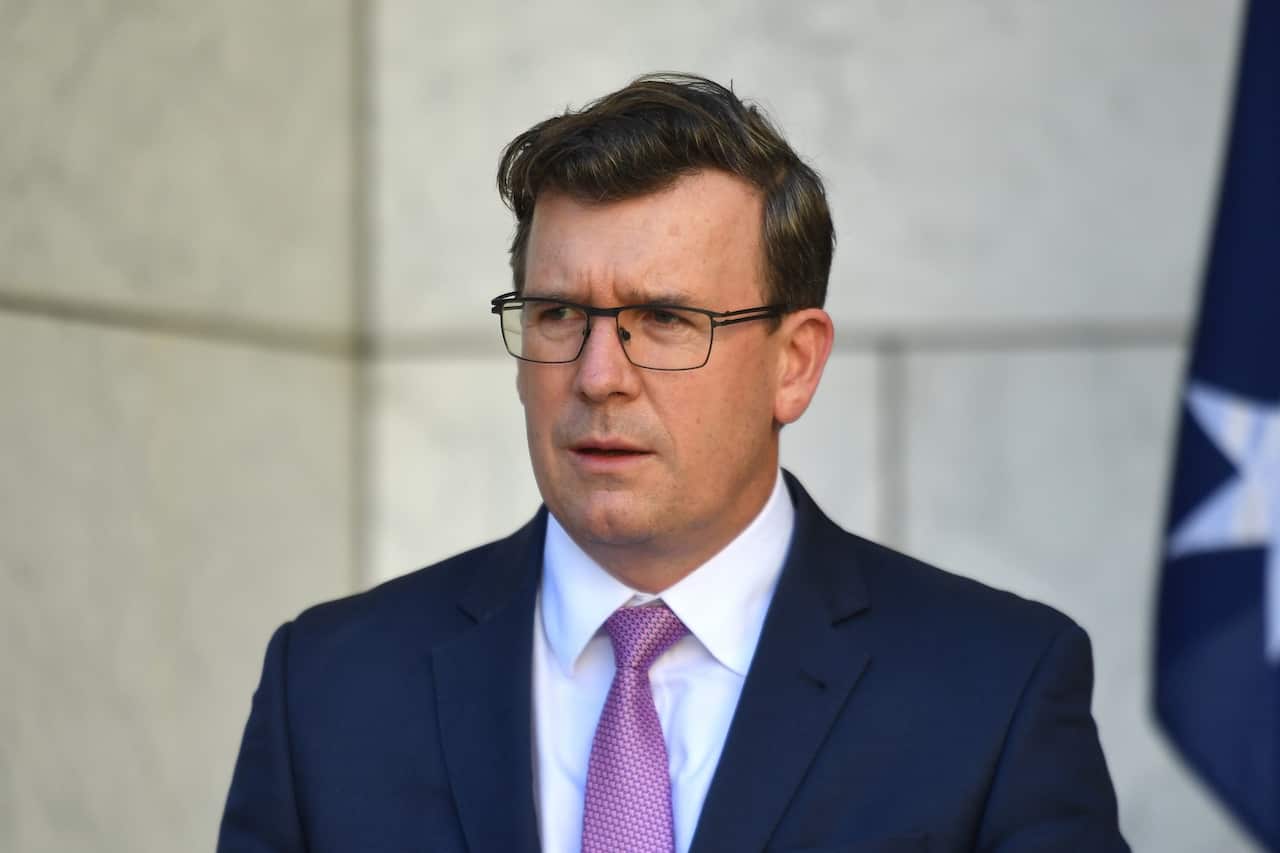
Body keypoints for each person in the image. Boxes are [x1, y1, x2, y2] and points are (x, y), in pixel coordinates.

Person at [218, 74, 1129, 853]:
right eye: (557, 315)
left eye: (664, 319)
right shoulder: (333, 686)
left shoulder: (992, 688)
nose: (598, 376)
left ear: (794, 362)